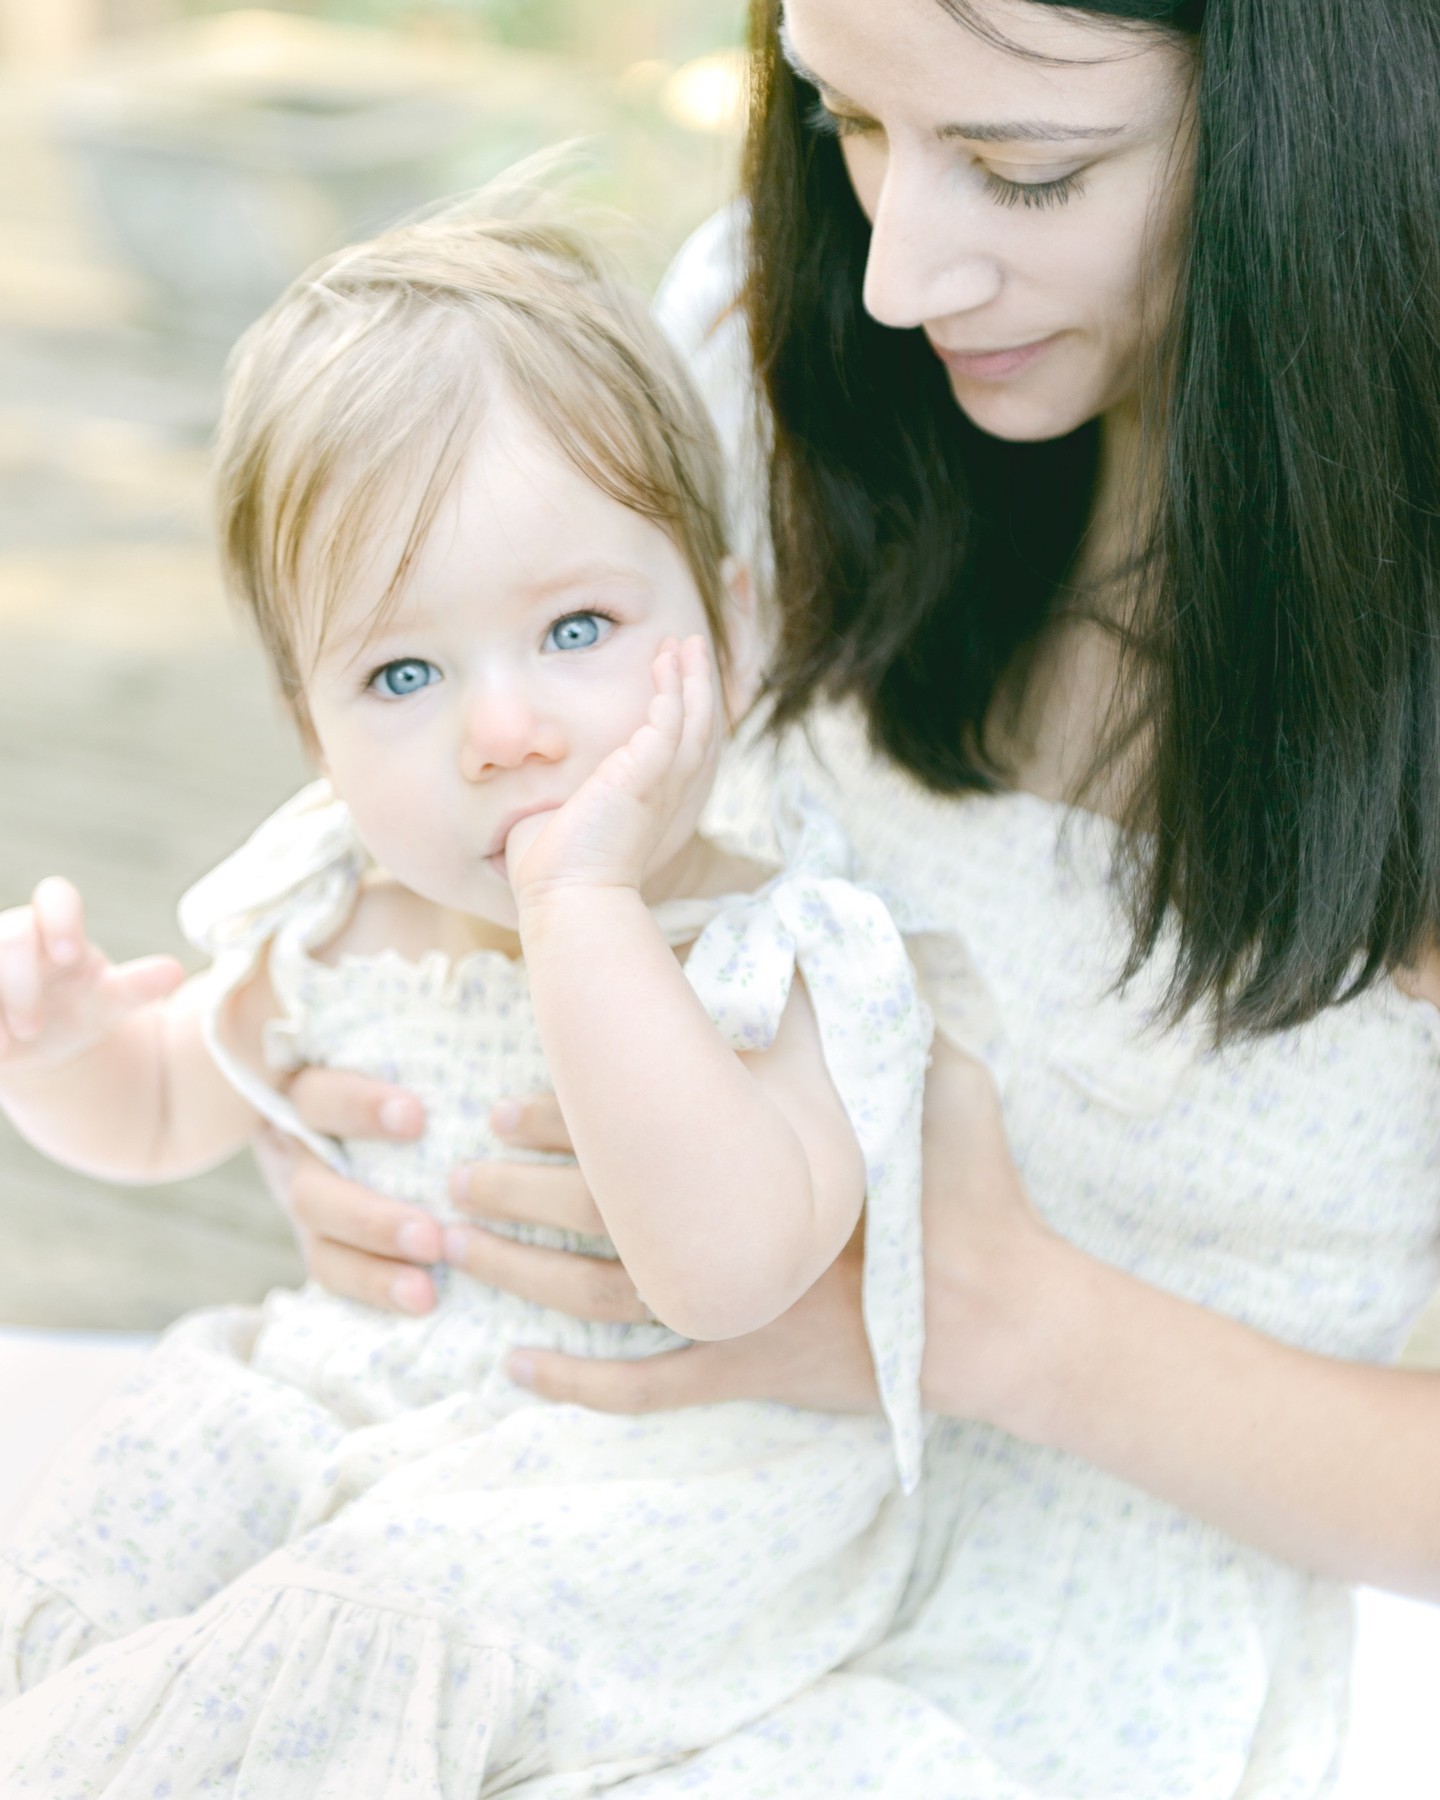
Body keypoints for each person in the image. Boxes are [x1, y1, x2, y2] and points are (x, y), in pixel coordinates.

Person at [266, 1, 1440, 1795]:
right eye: (845, 123)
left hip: (1033, 1681)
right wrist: (363, 1093)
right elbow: (471, 788)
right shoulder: (763, 341)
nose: (896, 273)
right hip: (560, 1526)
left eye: (1024, 169)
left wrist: (983, 1317)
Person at [0, 202, 938, 1791]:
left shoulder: (784, 950)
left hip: (634, 1485)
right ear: (315, 732)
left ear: (731, 625)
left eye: (577, 628)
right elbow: (169, 1102)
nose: (504, 729)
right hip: (353, 1411)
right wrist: (66, 1050)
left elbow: (728, 1264)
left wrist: (583, 910)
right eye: (403, 676)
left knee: (356, 1618)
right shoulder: (344, 911)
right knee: (160, 1471)